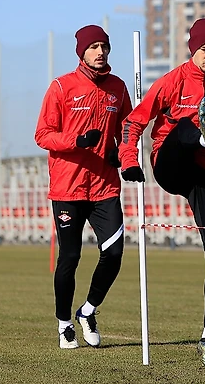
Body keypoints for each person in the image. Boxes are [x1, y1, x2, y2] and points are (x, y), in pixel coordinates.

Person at [118, 18, 205, 369]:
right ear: (193, 48)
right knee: (184, 127)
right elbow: (133, 122)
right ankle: (202, 138)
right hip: (171, 163)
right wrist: (128, 160)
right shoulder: (172, 81)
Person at [35, 25, 132, 349]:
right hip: (68, 188)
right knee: (70, 257)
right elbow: (43, 134)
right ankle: (64, 324)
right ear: (81, 52)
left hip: (105, 187)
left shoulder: (118, 88)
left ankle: (88, 310)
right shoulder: (61, 87)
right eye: (94, 47)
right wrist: (76, 141)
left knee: (114, 253)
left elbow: (128, 128)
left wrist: (122, 153)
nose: (100, 52)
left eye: (104, 46)